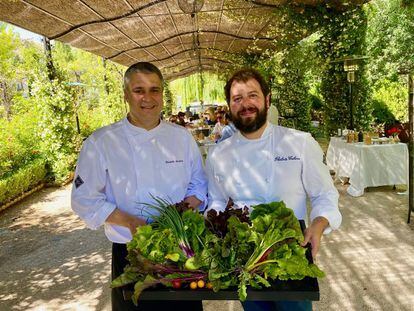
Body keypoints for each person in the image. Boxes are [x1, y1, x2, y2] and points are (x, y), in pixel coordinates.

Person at [71, 62, 207, 311]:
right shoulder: (101, 142)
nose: (147, 98)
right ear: (125, 94)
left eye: (154, 90)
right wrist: (132, 223)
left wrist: (177, 217)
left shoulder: (181, 137)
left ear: (162, 95)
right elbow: (84, 199)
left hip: (180, 250)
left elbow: (198, 185)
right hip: (129, 254)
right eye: (138, 90)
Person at [205, 68, 342, 311]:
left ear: (267, 100)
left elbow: (325, 194)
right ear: (229, 106)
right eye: (237, 99)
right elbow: (216, 201)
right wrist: (212, 229)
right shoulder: (219, 154)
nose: (246, 104)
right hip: (245, 257)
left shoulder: (299, 142)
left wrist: (319, 225)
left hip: (291, 250)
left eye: (252, 96)